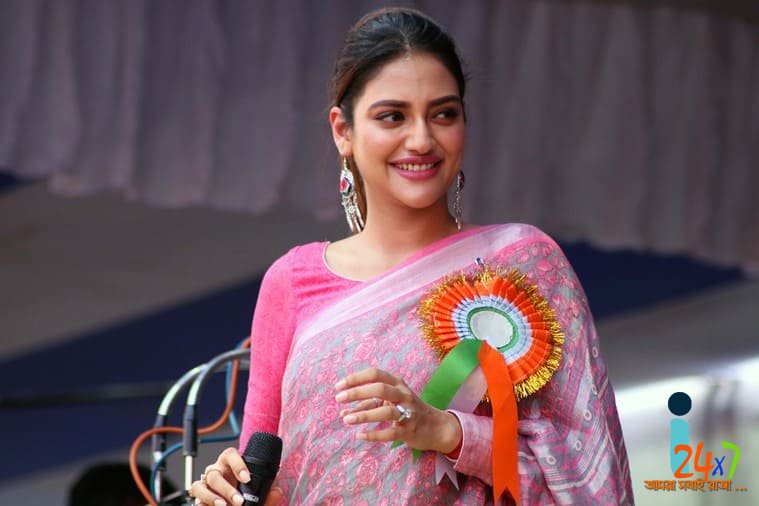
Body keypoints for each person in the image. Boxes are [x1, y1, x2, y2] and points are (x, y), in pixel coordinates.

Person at [188, 7, 633, 506]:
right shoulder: (292, 281)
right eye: (392, 116)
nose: (422, 140)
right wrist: (229, 490)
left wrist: (448, 432)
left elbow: (589, 477)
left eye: (443, 114)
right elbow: (262, 473)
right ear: (343, 131)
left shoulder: (522, 261)